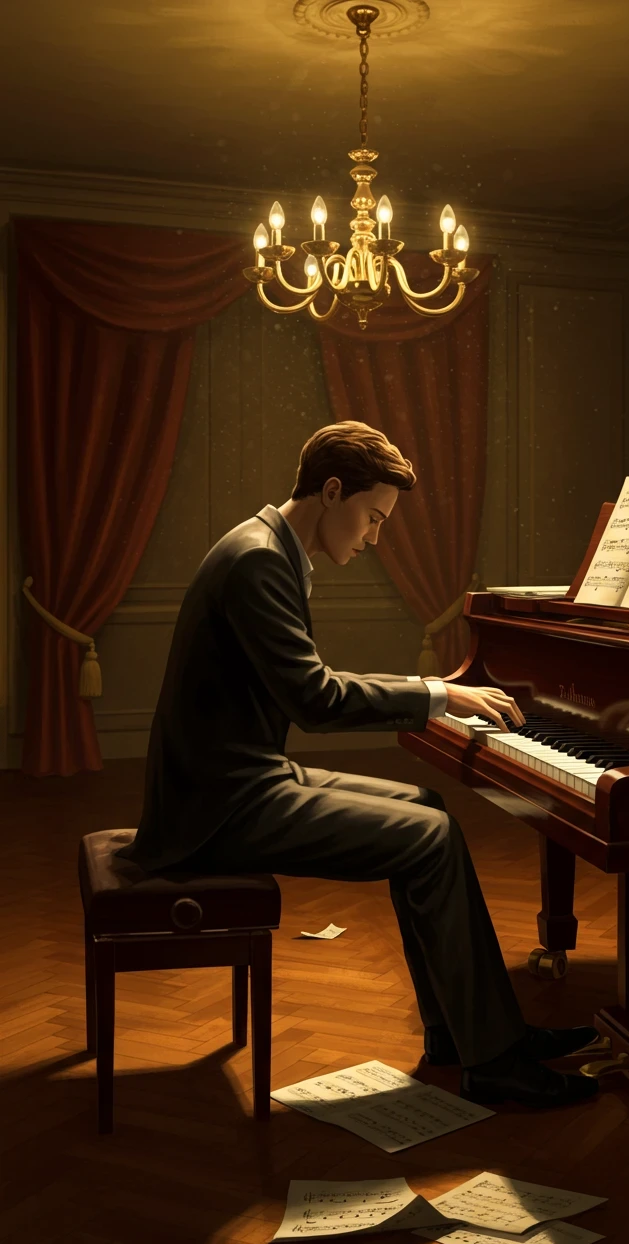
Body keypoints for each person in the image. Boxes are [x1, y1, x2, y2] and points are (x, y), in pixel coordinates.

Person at [123, 421, 602, 1107]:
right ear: (331, 491)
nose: (376, 537)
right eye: (373, 517)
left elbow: (302, 688)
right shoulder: (258, 561)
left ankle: (463, 1035)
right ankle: (493, 1060)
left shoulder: (263, 546)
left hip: (235, 780)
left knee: (427, 811)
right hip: (217, 807)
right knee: (429, 839)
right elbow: (315, 701)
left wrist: (430, 694)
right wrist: (438, 696)